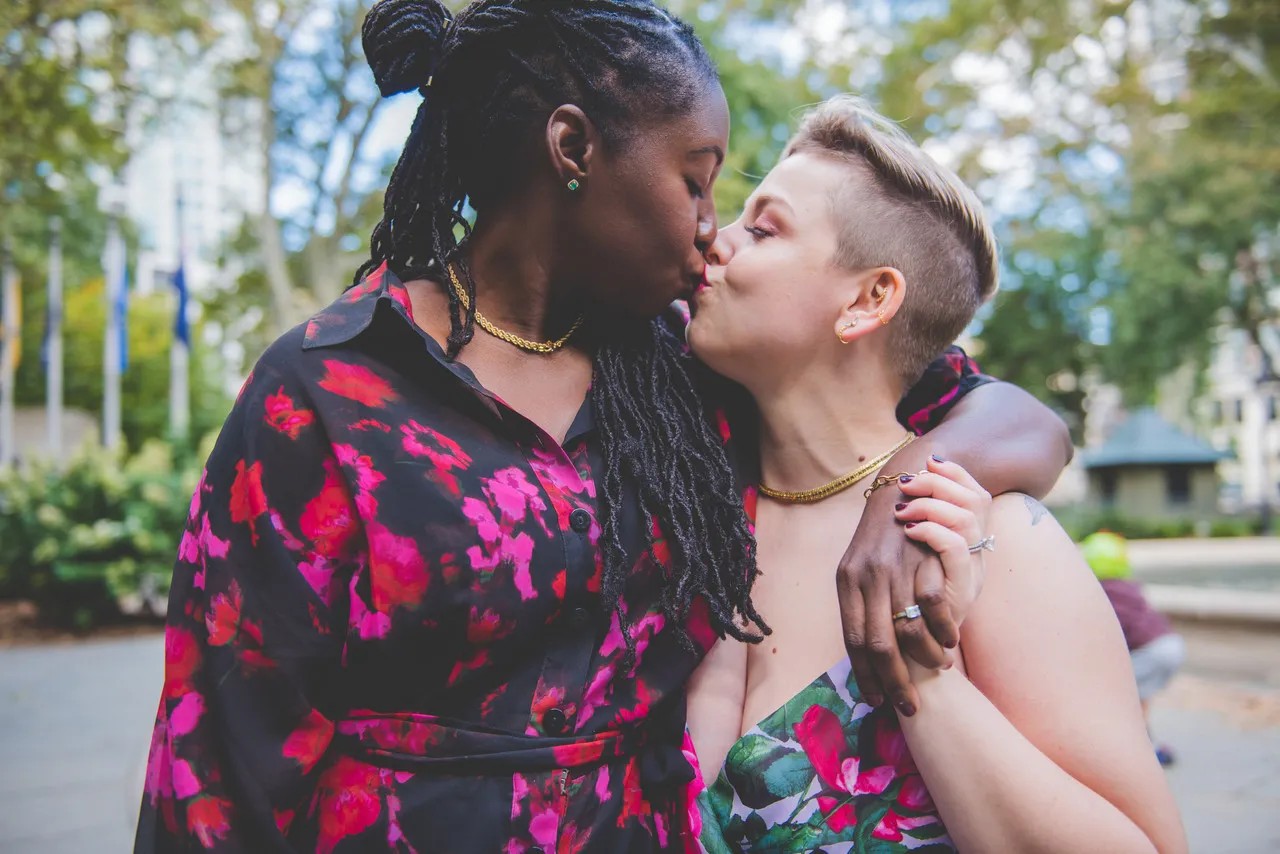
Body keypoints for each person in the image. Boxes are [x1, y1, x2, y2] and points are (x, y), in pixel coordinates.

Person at [134, 2, 1070, 851]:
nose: (711, 231)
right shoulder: (330, 386)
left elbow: (1019, 420)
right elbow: (216, 763)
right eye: (695, 183)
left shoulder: (689, 367)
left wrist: (894, 501)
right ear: (573, 148)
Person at [684, 97, 1186, 852]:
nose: (711, 241)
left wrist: (924, 677)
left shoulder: (985, 535)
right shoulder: (698, 516)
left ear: (869, 299)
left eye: (761, 228)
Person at [1081, 530, 1186, 766]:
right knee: (1137, 696)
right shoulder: (1128, 588)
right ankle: (1146, 745)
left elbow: (1110, 633)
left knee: (1119, 695)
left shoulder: (1104, 592)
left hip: (1153, 651)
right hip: (1169, 644)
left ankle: (1141, 749)